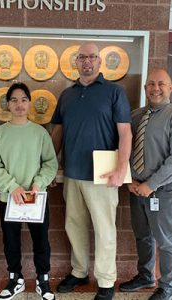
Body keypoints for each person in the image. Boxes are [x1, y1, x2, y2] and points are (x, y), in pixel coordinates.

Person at [51, 42, 132, 300]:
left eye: (92, 57)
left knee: (104, 230)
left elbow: (125, 133)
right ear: (76, 61)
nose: (87, 61)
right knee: (74, 226)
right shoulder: (67, 95)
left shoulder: (114, 92)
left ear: (100, 61)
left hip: (104, 176)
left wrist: (121, 168)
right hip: (72, 173)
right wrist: (51, 166)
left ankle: (106, 282)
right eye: (82, 57)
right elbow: (58, 132)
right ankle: (79, 271)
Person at [0, 82, 58, 300]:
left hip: (36, 198)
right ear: (8, 104)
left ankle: (42, 280)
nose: (19, 104)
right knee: (11, 240)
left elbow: (50, 163)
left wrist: (38, 183)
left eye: (24, 100)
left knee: (41, 240)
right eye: (14, 100)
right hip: (10, 198)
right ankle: (15, 278)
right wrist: (12, 186)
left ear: (29, 103)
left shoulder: (40, 133)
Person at [119, 69, 172, 300]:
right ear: (145, 89)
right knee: (142, 235)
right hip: (136, 189)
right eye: (151, 83)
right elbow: (125, 151)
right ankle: (145, 276)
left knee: (166, 240)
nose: (155, 88)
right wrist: (129, 180)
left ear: (170, 88)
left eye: (161, 83)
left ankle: (168, 286)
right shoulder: (135, 115)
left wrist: (151, 184)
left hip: (162, 192)